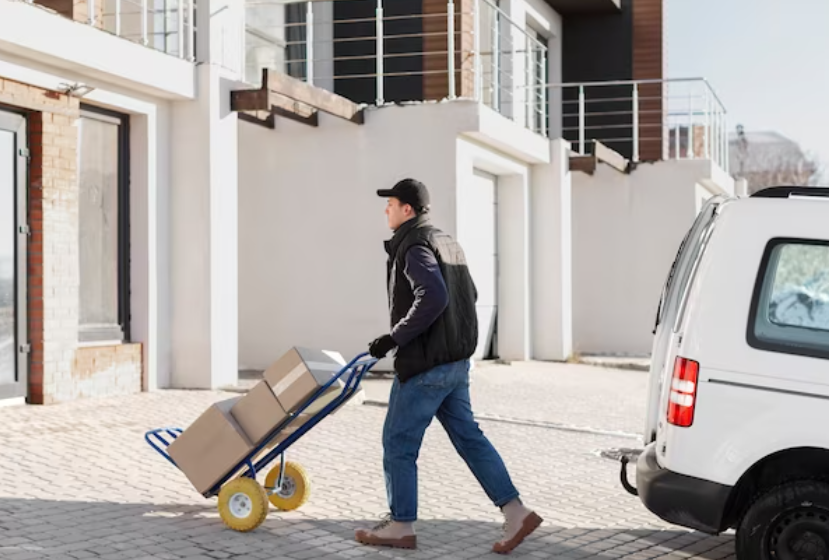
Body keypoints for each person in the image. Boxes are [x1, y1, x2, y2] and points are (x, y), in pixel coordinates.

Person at [355, 178, 543, 554]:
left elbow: (435, 295)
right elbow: (467, 293)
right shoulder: (447, 241)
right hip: (455, 363)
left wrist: (396, 337)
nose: (386, 210)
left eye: (390, 203)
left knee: (398, 443)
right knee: (470, 439)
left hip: (425, 366)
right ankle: (516, 511)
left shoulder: (414, 245)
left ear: (407, 209)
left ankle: (401, 524)